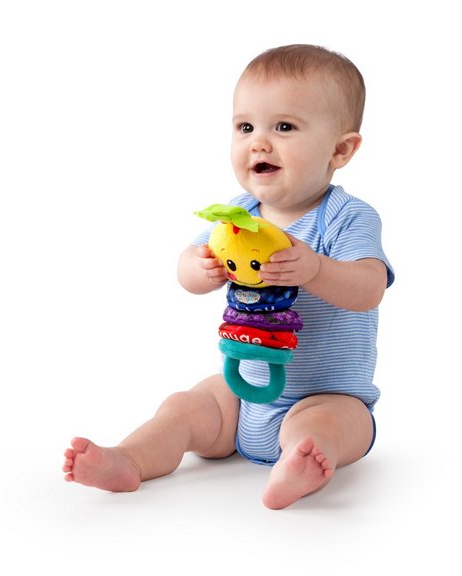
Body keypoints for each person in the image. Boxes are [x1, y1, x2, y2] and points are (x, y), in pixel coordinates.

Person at [62, 44, 394, 510]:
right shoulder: (237, 216)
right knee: (184, 406)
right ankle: (130, 458)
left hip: (325, 397)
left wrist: (317, 268)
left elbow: (369, 288)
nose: (258, 142)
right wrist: (199, 268)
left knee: (328, 426)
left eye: (284, 127)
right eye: (245, 127)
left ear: (340, 149)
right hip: (240, 395)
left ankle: (298, 465)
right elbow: (186, 268)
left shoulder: (346, 218)